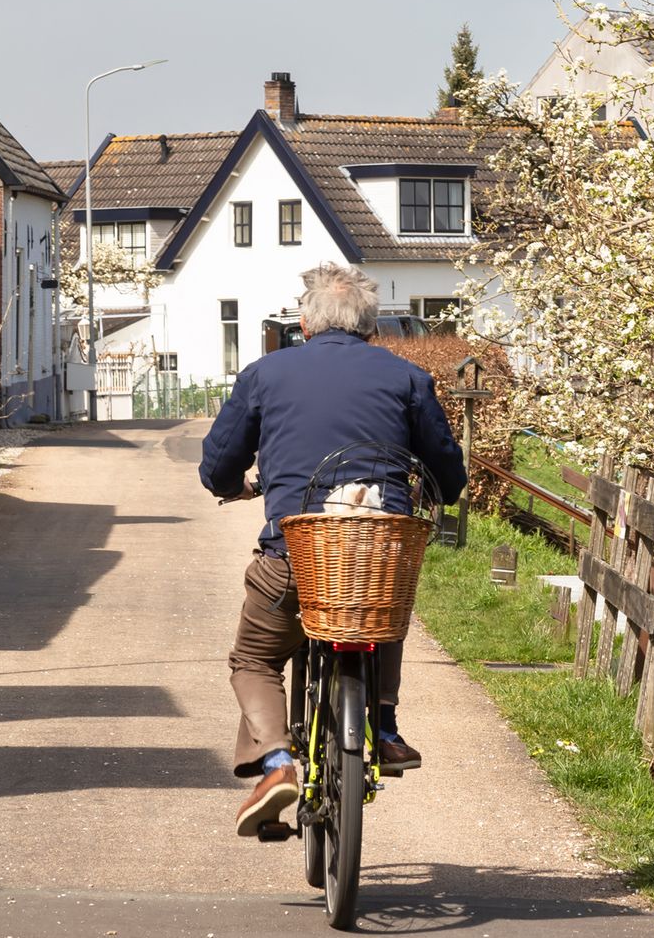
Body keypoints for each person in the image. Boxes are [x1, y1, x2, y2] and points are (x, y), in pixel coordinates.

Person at [199, 261, 467, 837]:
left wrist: (236, 488)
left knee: (256, 660)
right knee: (379, 600)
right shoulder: (408, 379)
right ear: (373, 328)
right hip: (372, 552)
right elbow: (450, 470)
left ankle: (275, 764)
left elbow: (219, 465)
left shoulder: (264, 374)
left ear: (304, 322)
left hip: (294, 555)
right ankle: (386, 726)